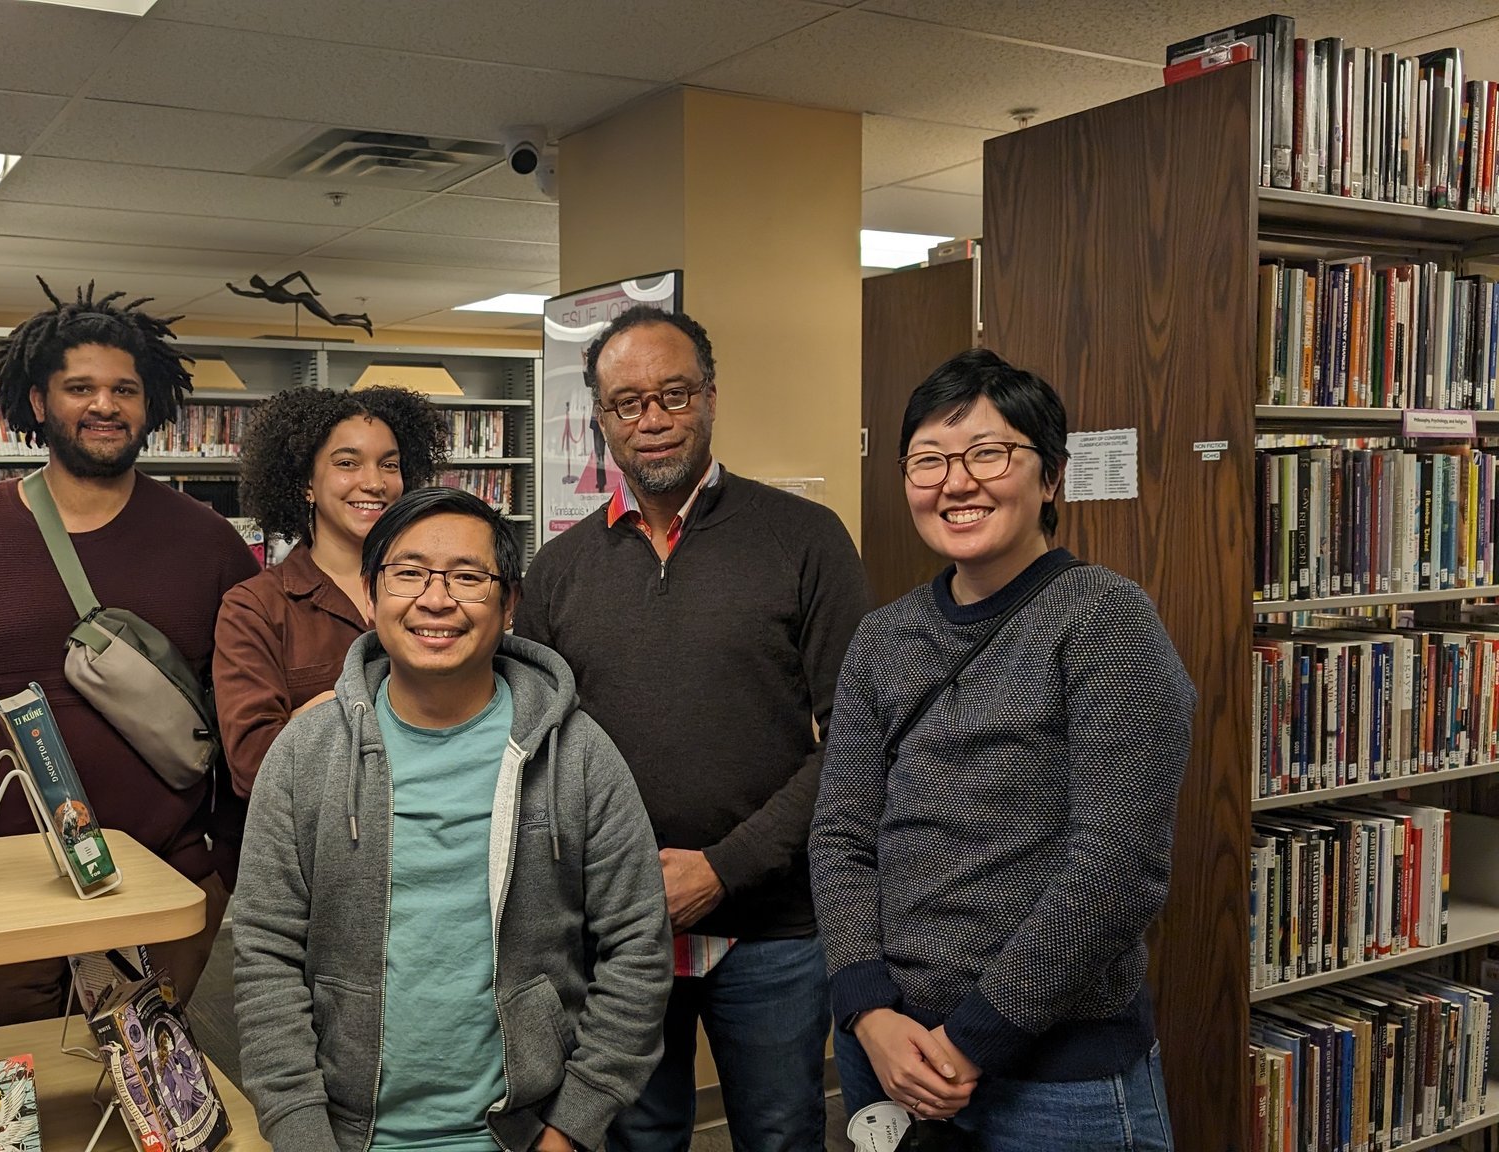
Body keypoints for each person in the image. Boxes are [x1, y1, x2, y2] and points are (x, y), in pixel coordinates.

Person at [809, 349, 1193, 1150]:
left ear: (1050, 477)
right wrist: (867, 1009)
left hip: (1054, 1078)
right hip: (888, 1053)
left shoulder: (1105, 619)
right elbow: (841, 835)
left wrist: (972, 1039)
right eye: (929, 460)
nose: (956, 483)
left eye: (988, 454)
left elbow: (1116, 867)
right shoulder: (882, 639)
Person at [514, 307, 869, 1152]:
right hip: (617, 929)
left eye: (674, 394)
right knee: (638, 1138)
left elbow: (859, 740)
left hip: (772, 927)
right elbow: (539, 753)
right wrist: (620, 885)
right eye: (627, 402)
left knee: (781, 1133)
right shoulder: (557, 572)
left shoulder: (805, 540)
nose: (653, 418)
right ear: (601, 420)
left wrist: (722, 868)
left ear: (711, 397)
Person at [234, 487, 672, 1152]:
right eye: (408, 573)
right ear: (371, 593)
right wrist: (301, 1134)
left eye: (468, 577)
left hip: (523, 1134)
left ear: (509, 603)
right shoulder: (305, 754)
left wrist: (571, 1127)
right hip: (346, 1135)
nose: (435, 600)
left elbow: (639, 945)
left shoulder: (578, 754)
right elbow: (265, 953)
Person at [0, 280, 259, 1026]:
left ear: (150, 405)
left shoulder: (207, 542)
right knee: (0, 1081)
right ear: (39, 401)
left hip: (162, 881)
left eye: (124, 389)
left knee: (152, 1088)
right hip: (0, 890)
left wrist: (223, 866)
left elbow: (247, 707)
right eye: (80, 387)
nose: (104, 405)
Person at [213, 384, 445, 797]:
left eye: (389, 465)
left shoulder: (434, 588)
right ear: (307, 482)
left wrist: (306, 718)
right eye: (347, 463)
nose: (374, 482)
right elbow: (253, 765)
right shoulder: (257, 608)